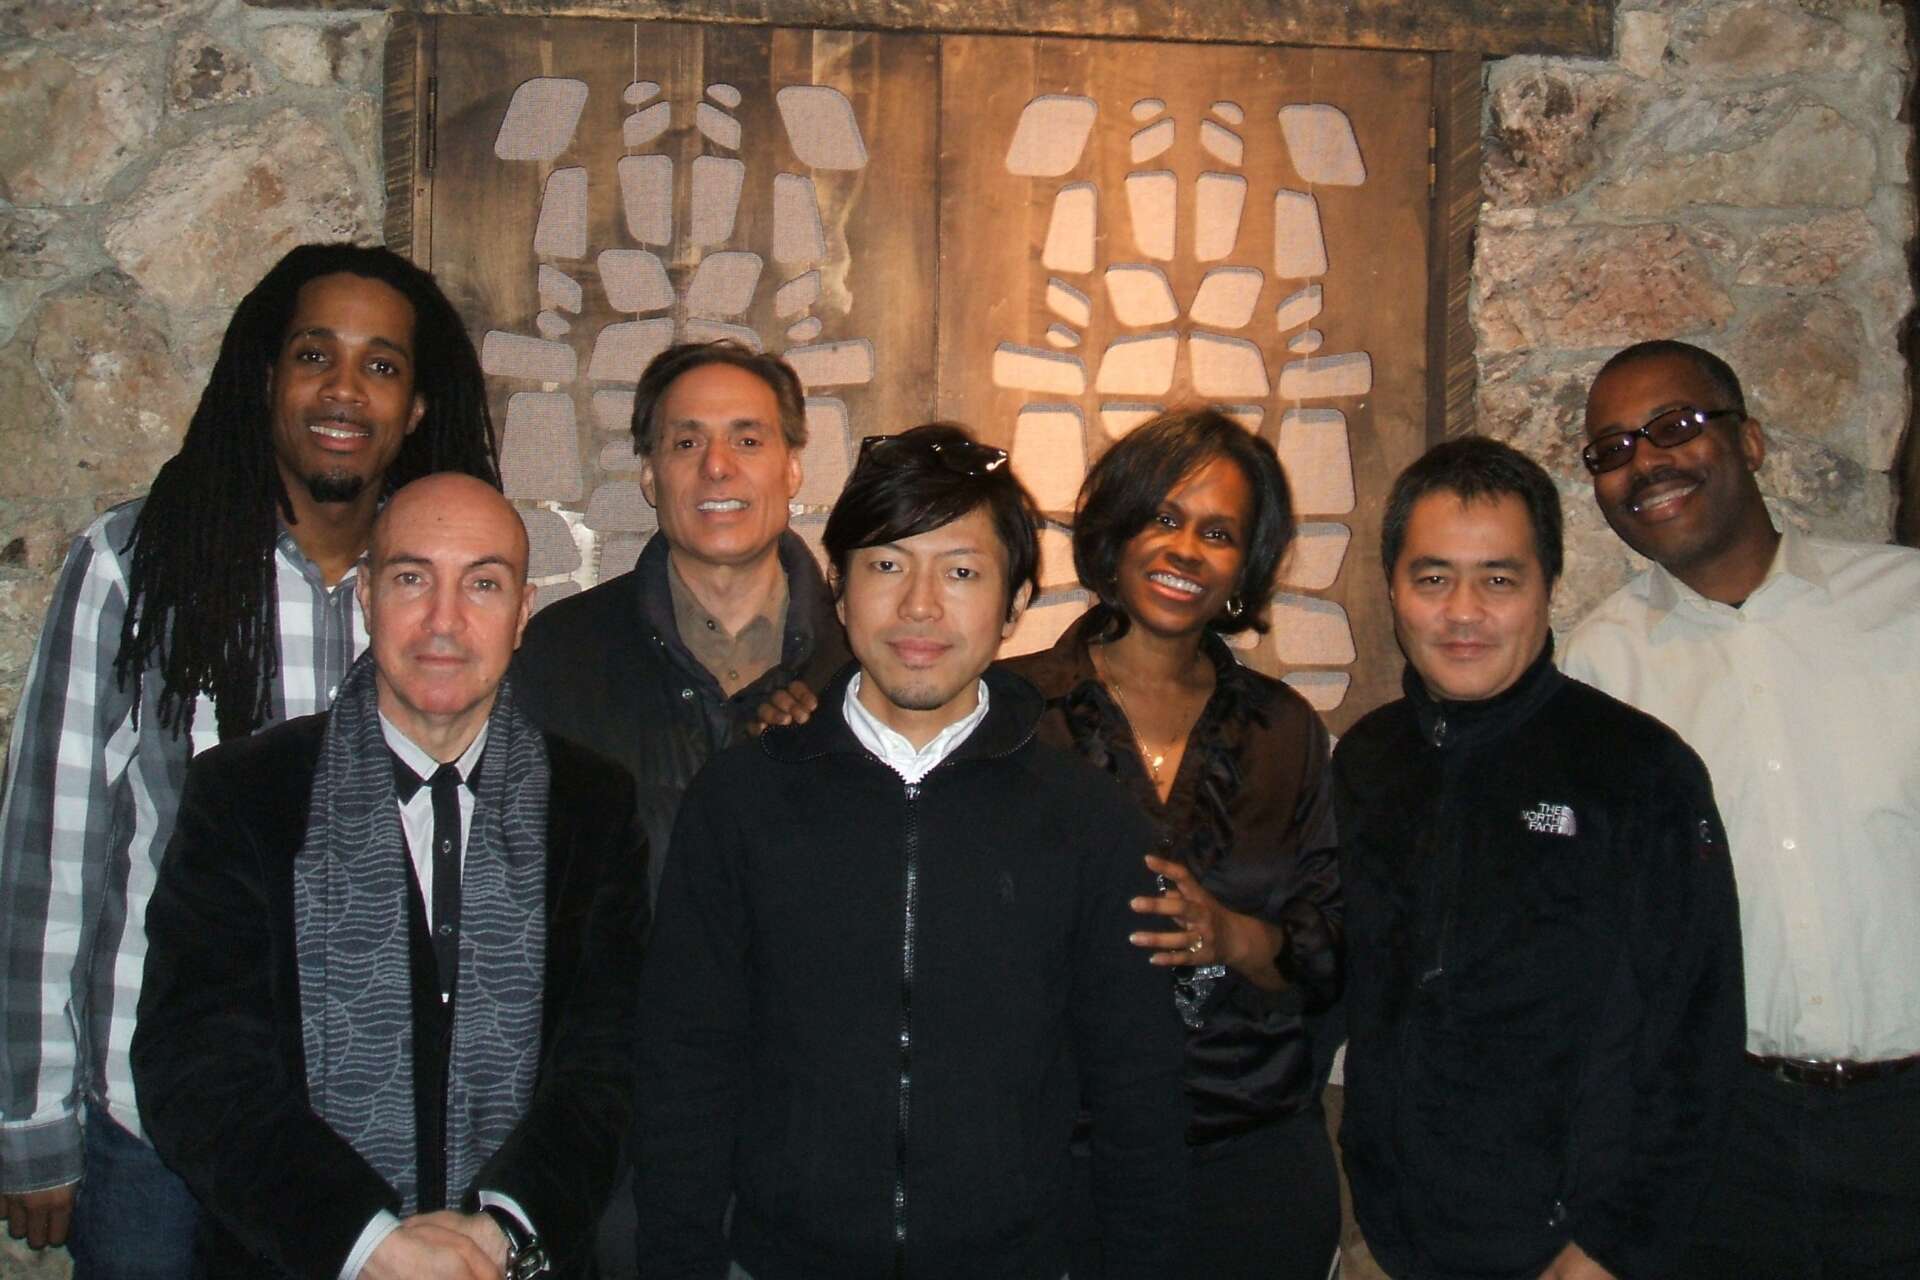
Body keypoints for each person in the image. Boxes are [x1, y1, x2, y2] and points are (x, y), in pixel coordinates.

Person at [0, 243, 498, 1274]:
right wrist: (32, 1115)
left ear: (416, 407)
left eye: (381, 364)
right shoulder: (139, 565)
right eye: (315, 354)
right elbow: (51, 853)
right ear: (265, 378)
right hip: (157, 1132)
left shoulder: (448, 595)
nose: (344, 389)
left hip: (373, 1136)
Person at [634, 423, 1189, 1278]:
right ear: (839, 588)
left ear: (1014, 606)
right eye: (888, 565)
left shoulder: (1088, 822)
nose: (920, 606)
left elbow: (1138, 1098)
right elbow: (684, 1068)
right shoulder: (741, 803)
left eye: (961, 572)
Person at [130, 473, 648, 1279]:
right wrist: (368, 1244)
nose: (444, 620)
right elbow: (196, 1064)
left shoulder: (594, 806)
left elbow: (611, 1061)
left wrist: (499, 1234)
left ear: (523, 613)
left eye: (483, 584)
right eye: (412, 578)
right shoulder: (246, 796)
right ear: (367, 597)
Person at [1334, 436, 1743, 1280]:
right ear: (1392, 588)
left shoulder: (1640, 771)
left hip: (1569, 1248)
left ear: (1548, 586)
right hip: (1394, 1236)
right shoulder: (1368, 760)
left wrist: (1612, 1245)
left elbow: (1695, 1036)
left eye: (1499, 580)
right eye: (1433, 578)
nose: (1463, 613)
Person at [1562, 339, 1920, 1278]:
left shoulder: (1908, 609)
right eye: (1611, 449)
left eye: (1673, 426)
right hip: (1727, 1139)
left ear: (1751, 441)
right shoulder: (1599, 670)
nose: (1644, 462)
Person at [1003, 407, 1339, 1280]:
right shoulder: (1010, 716)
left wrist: (1240, 937)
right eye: (1164, 517)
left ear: (1244, 567)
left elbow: (1333, 950)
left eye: (1219, 533)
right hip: (1057, 1170)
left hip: (1249, 1166)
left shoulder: (1286, 731)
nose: (1187, 550)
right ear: (1115, 534)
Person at [512, 339, 848, 901]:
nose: (717, 467)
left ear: (792, 469)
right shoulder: (558, 658)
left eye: (747, 441)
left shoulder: (860, 661)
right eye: (687, 443)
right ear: (649, 476)